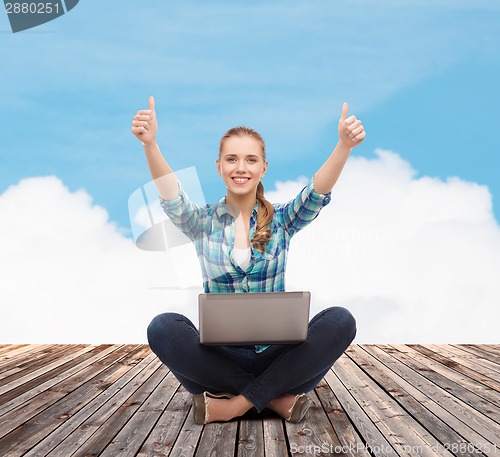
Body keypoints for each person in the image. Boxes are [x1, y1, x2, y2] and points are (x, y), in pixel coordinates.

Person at [131, 96, 366, 424]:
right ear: (219, 166)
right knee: (162, 327)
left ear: (263, 168)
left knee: (341, 320)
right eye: (232, 159)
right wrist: (150, 145)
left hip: (280, 360)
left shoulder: (282, 221)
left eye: (250, 160)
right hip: (216, 364)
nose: (241, 168)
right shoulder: (202, 222)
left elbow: (316, 192)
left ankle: (234, 405)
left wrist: (343, 145)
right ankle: (274, 400)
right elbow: (172, 197)